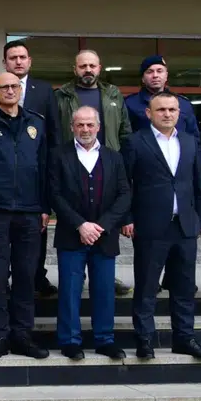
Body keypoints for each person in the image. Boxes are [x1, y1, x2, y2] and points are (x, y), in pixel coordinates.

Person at [122, 92, 201, 360]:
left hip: (185, 225)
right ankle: (145, 340)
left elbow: (199, 183)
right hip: (150, 225)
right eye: (161, 109)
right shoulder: (134, 142)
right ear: (148, 113)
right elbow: (123, 184)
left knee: (184, 287)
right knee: (147, 286)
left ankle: (185, 338)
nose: (167, 114)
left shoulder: (189, 141)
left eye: (172, 109)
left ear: (179, 113)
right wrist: (126, 218)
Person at [0, 72, 49, 360]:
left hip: (29, 211)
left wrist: (45, 207)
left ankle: (23, 335)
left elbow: (44, 166)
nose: (11, 91)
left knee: (26, 274)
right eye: (4, 87)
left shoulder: (37, 122)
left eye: (15, 86)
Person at [0, 40, 60, 296]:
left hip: (31, 185)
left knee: (34, 242)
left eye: (22, 57)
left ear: (29, 61)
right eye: (13, 57)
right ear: (5, 62)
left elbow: (53, 136)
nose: (18, 61)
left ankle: (37, 277)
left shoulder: (45, 90)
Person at [50, 106, 132, 361]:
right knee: (69, 291)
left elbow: (124, 194)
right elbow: (54, 194)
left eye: (90, 125)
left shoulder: (114, 157)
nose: (85, 129)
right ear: (72, 127)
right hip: (71, 234)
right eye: (80, 125)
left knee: (104, 290)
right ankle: (70, 341)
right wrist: (80, 225)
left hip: (104, 236)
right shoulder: (58, 155)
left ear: (98, 127)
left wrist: (103, 225)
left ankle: (105, 340)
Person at [54, 49, 133, 295]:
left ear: (99, 68)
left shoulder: (113, 94)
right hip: (71, 168)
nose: (87, 70)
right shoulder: (60, 95)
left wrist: (121, 165)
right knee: (71, 275)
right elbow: (53, 132)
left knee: (104, 250)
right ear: (74, 69)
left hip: (108, 170)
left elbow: (125, 133)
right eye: (82, 66)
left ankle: (107, 278)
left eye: (92, 65)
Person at [124, 55, 201, 139]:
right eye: (150, 72)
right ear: (143, 78)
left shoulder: (183, 103)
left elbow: (194, 138)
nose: (155, 75)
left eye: (159, 71)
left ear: (166, 75)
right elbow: (125, 137)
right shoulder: (129, 104)